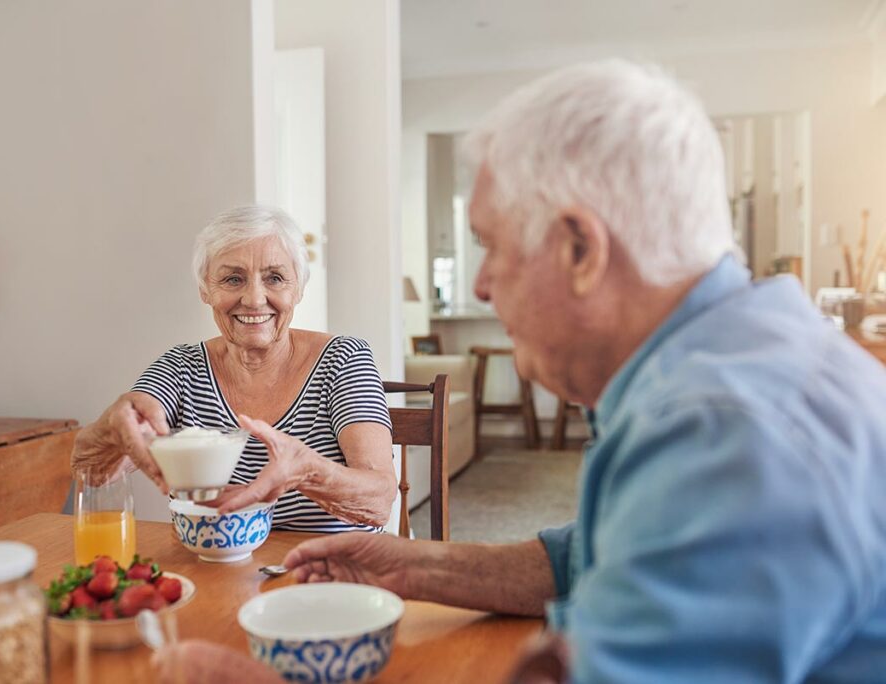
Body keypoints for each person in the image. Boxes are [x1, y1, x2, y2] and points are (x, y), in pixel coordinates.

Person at [155, 59, 886, 683]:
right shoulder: (717, 364)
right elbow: (605, 552)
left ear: (579, 249)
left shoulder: (728, 433)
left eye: (490, 244)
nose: (478, 286)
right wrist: (418, 566)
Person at [72, 206, 396, 532]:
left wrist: (308, 471)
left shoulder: (343, 358)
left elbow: (380, 502)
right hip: (210, 573)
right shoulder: (180, 367)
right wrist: (110, 431)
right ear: (205, 290)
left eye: (275, 278)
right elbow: (93, 471)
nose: (254, 299)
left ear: (298, 288)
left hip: (329, 571)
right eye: (232, 279)